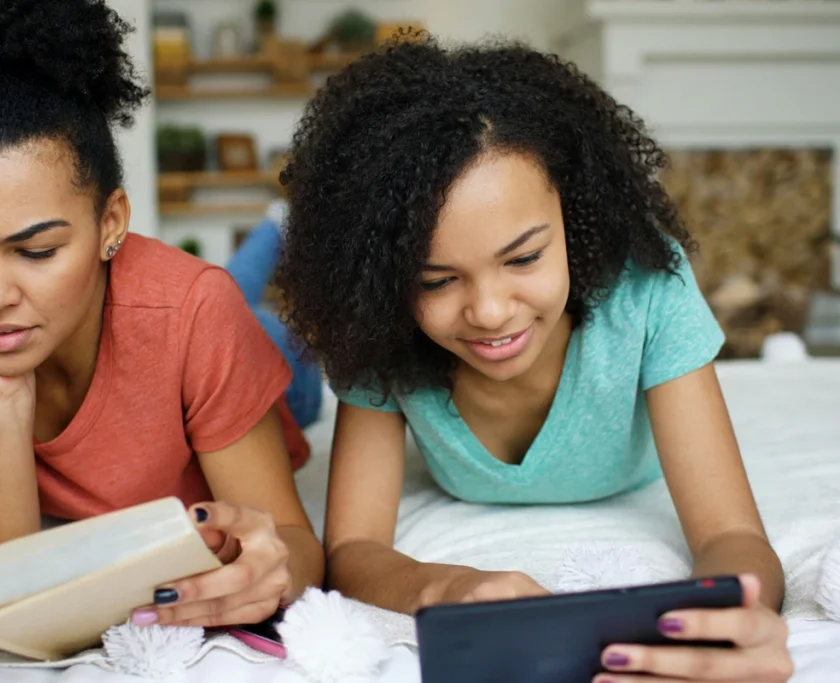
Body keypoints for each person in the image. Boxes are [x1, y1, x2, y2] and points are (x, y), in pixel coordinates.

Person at [275, 36, 793, 681]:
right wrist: (443, 587)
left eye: (523, 259)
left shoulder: (647, 290)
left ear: (576, 220)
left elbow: (730, 533)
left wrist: (717, 622)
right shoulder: (377, 331)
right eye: (436, 282)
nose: (490, 312)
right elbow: (354, 548)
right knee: (269, 352)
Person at [0, 0, 323, 629]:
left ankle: (277, 229)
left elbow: (292, 542)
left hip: (247, 346)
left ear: (110, 222)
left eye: (35, 251)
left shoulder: (194, 310)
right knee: (216, 287)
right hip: (169, 301)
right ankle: (263, 241)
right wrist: (3, 407)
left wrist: (274, 570)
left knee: (243, 305)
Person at [225, 202, 323, 430]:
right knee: (229, 296)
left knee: (225, 294)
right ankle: (273, 229)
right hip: (296, 385)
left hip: (276, 363)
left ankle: (273, 229)